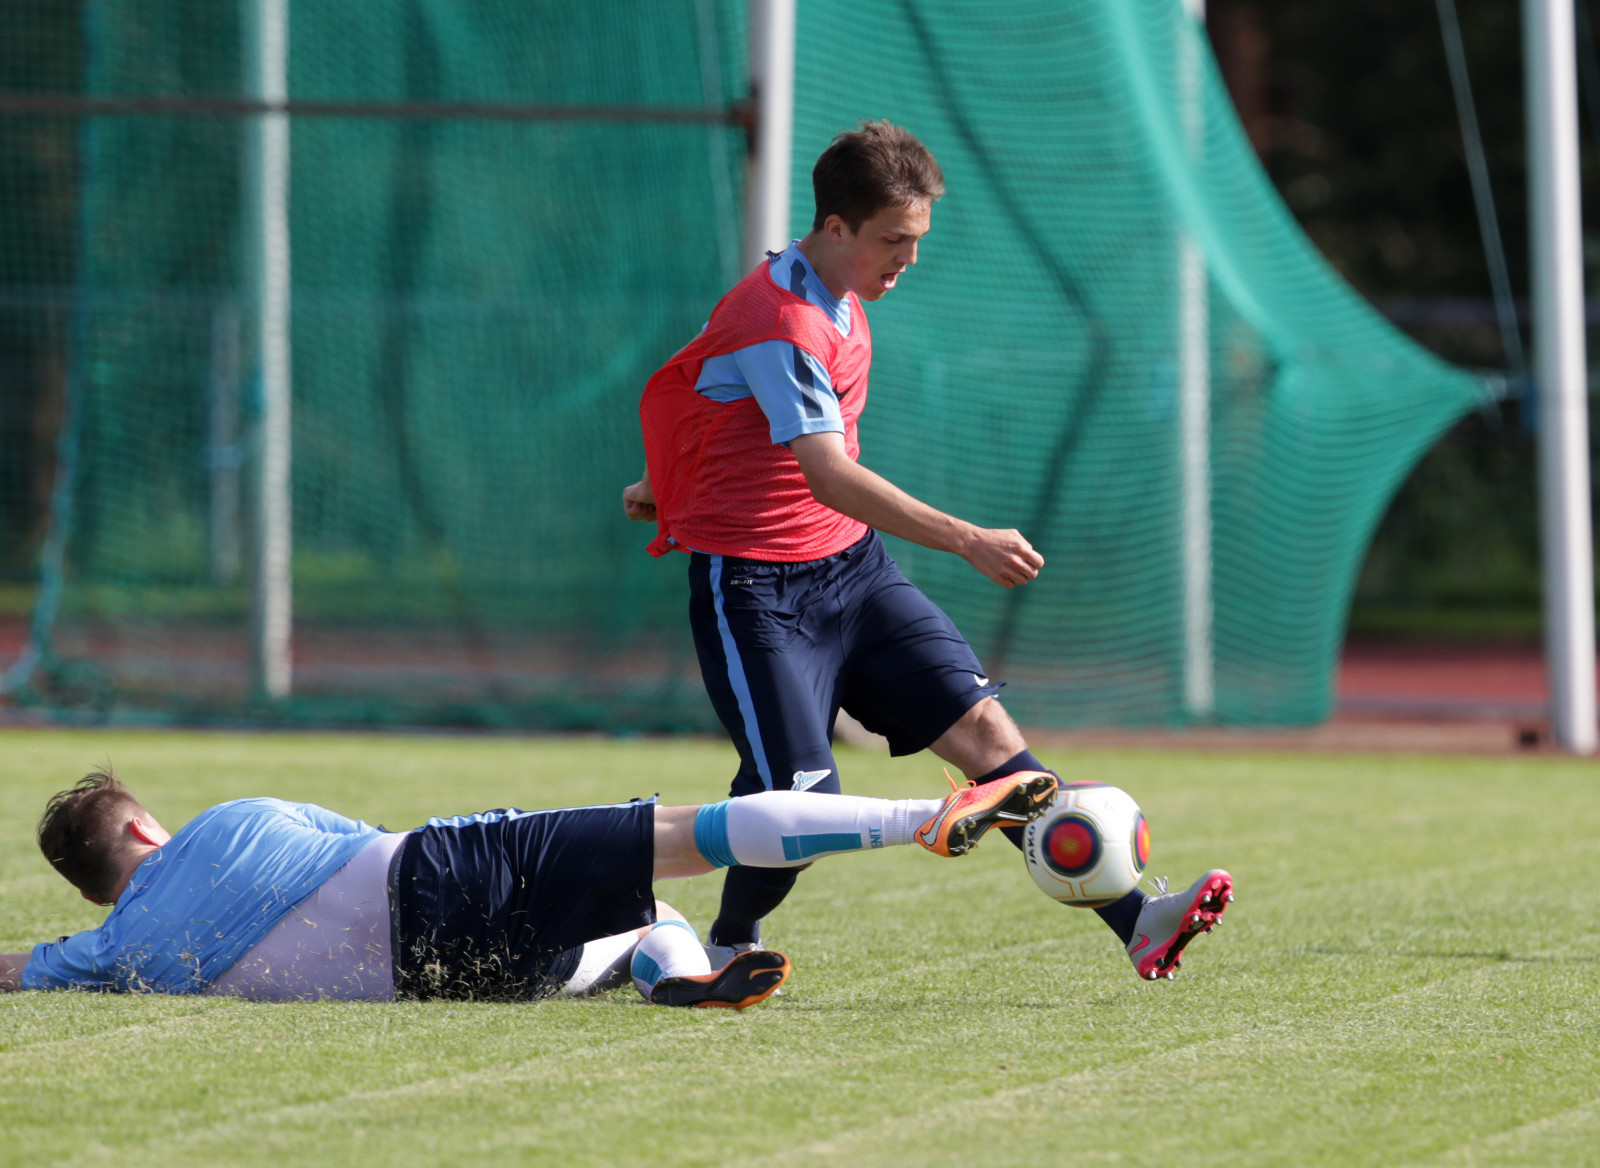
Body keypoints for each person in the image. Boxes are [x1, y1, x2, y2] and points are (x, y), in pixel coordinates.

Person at [625, 120, 1232, 980]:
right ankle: (713, 938)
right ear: (835, 227)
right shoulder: (781, 318)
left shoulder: (832, 291)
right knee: (799, 805)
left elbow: (702, 388)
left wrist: (661, 477)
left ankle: (1139, 922)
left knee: (987, 737)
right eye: (893, 241)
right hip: (757, 593)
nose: (907, 259)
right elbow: (828, 473)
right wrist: (967, 539)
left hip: (853, 573)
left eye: (917, 240)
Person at [0, 765, 1080, 1004]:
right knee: (684, 834)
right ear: (144, 825)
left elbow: (13, 969)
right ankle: (918, 821)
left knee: (648, 920)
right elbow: (375, 839)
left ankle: (672, 977)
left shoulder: (106, 957)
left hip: (447, 983)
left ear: (101, 885)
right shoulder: (226, 824)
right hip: (435, 875)